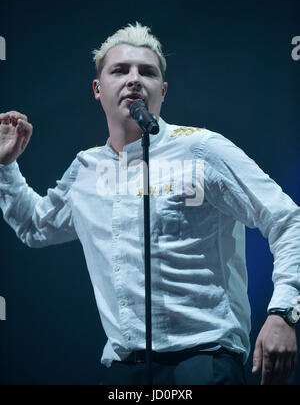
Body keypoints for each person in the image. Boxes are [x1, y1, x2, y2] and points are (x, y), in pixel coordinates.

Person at [0, 23, 299, 386]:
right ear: (98, 89)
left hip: (203, 362)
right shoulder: (86, 169)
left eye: (147, 72)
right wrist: (5, 166)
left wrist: (283, 312)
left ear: (163, 90)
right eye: (120, 70)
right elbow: (35, 226)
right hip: (124, 369)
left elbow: (287, 221)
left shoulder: (202, 150)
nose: (134, 79)